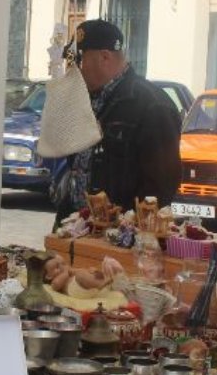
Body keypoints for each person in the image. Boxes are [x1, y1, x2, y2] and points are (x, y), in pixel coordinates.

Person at [54, 19, 181, 223]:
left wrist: (124, 228)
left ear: (104, 57)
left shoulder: (152, 105)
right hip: (76, 226)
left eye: (78, 60)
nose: (73, 69)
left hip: (118, 238)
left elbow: (161, 186)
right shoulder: (84, 99)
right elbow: (77, 168)